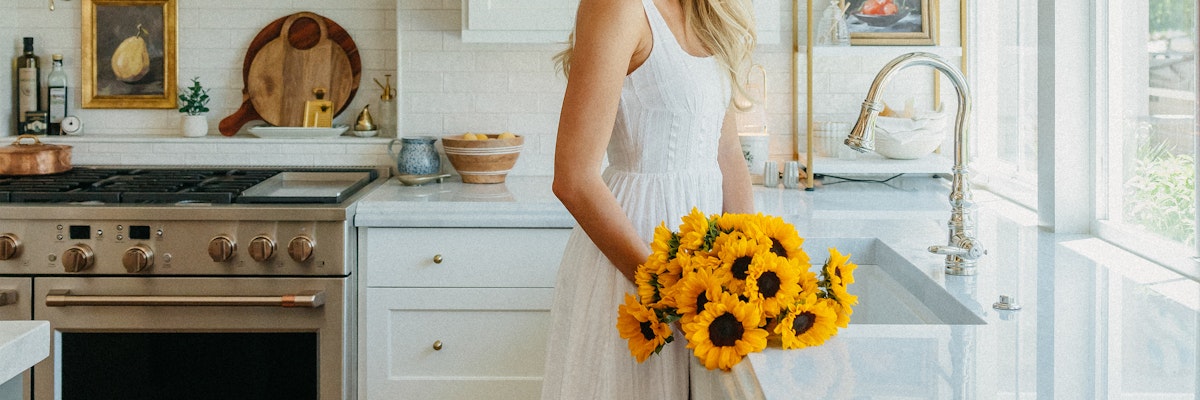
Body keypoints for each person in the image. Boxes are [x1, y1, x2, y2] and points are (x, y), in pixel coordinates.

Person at [540, 0, 758, 397]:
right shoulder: (617, 7)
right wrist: (668, 291)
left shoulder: (707, 12)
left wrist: (744, 268)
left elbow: (726, 153)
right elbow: (573, 178)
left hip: (704, 272)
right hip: (635, 261)